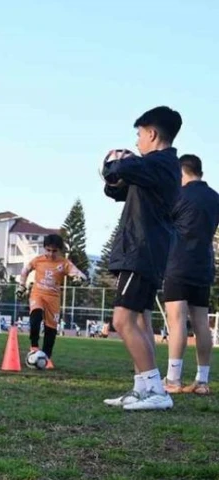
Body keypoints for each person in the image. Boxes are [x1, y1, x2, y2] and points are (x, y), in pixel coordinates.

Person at [100, 106, 182, 411]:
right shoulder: (156, 169)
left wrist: (113, 163)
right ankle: (144, 388)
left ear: (152, 133)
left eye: (139, 135)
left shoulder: (159, 163)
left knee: (122, 320)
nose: (136, 141)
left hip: (141, 249)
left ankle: (156, 391)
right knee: (141, 320)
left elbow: (118, 169)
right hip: (144, 249)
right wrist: (114, 176)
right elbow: (118, 189)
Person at [163, 154, 219, 395]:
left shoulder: (178, 195)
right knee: (201, 323)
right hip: (203, 265)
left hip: (178, 263)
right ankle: (202, 381)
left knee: (177, 321)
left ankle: (173, 380)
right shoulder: (215, 198)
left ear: (181, 172)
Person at [17, 234, 88, 369]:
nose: (51, 253)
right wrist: (22, 285)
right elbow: (25, 270)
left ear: (60, 250)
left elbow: (80, 274)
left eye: (54, 251)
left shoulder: (64, 263)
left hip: (53, 299)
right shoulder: (38, 260)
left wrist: (79, 279)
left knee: (51, 329)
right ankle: (34, 347)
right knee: (35, 316)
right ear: (44, 248)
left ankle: (46, 357)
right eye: (48, 250)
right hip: (38, 294)